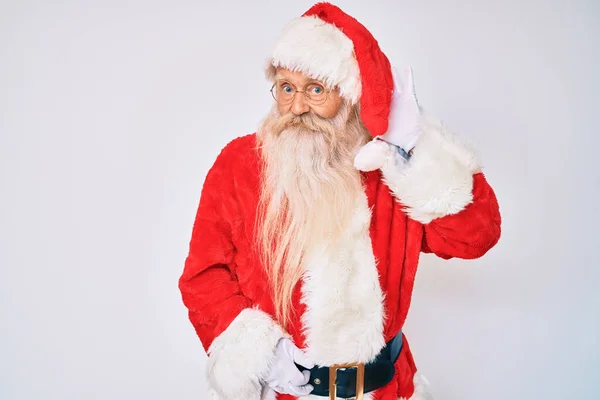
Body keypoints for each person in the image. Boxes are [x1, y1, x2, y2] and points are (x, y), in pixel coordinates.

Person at [178, 2, 501, 400]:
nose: (296, 107)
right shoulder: (240, 164)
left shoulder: (388, 165)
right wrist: (258, 351)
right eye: (286, 87)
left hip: (386, 390)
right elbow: (204, 274)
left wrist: (417, 146)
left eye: (316, 90)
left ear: (350, 96)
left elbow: (474, 238)